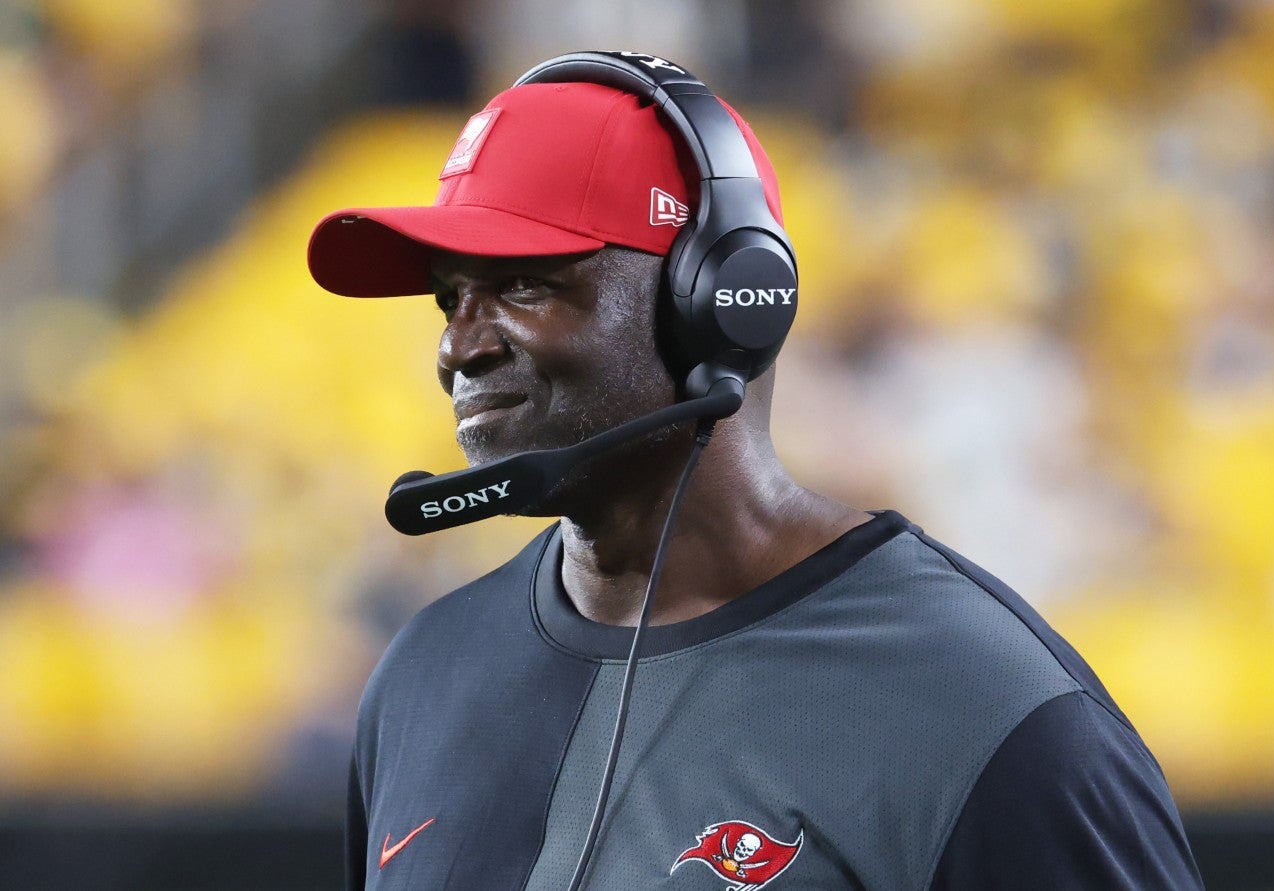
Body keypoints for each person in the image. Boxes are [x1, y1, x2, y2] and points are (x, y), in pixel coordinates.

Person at [307, 52, 1205, 891]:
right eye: (450, 297)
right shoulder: (424, 674)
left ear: (723, 301)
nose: (460, 345)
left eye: (524, 286)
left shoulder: (988, 710)